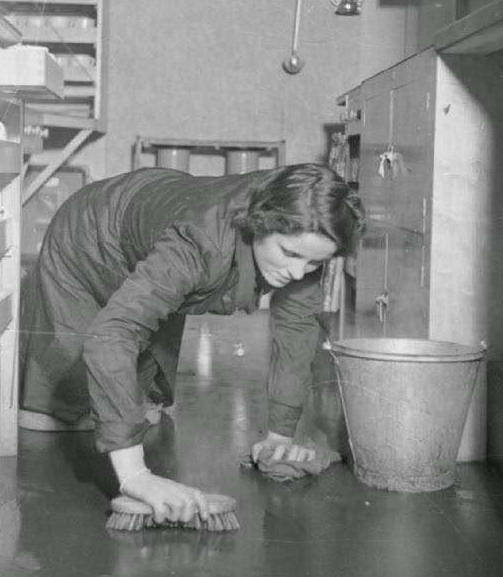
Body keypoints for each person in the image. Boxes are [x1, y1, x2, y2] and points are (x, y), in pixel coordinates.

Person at [19, 163, 364, 524]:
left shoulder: (307, 227)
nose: (298, 272)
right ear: (261, 221)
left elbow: (296, 331)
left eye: (315, 263)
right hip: (90, 234)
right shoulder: (199, 243)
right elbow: (113, 334)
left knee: (142, 400)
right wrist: (136, 476)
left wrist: (279, 434)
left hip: (157, 218)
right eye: (290, 255)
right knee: (61, 407)